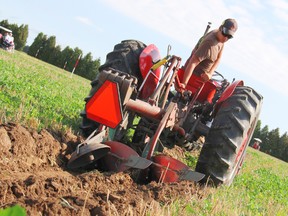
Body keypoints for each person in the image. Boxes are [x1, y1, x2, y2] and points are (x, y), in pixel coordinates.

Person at [180, 18, 238, 89]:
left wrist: (210, 73)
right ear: (220, 28)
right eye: (225, 34)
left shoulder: (220, 39)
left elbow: (218, 58)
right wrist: (184, 84)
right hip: (195, 78)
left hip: (206, 76)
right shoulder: (210, 43)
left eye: (229, 36)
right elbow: (192, 62)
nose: (226, 38)